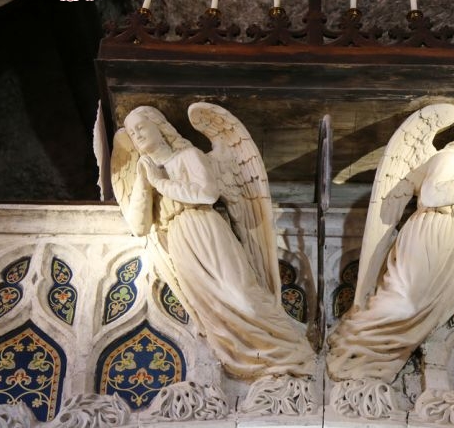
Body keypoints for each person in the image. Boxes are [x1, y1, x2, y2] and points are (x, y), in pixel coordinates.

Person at [116, 105, 316, 382]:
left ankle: (292, 350)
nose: (136, 134)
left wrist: (161, 184)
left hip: (206, 228)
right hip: (180, 242)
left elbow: (208, 194)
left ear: (158, 126)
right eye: (131, 132)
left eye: (141, 126)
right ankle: (253, 360)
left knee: (242, 294)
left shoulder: (188, 156)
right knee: (215, 310)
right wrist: (143, 181)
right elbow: (139, 227)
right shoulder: (147, 174)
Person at [326, 113, 454, 385]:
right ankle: (351, 344)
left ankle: (378, 355)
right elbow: (431, 195)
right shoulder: (451, 159)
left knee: (421, 311)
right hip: (430, 230)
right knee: (403, 300)